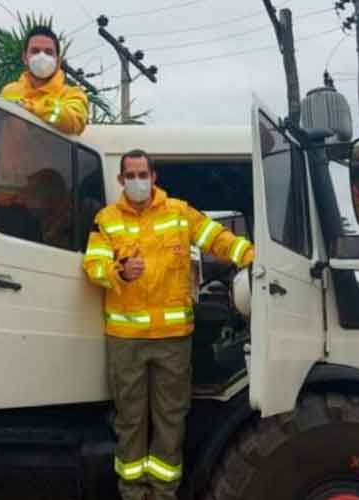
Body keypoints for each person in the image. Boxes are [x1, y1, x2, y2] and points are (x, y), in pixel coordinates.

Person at [82, 150, 254, 500]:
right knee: (130, 421)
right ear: (120, 180)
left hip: (172, 341)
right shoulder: (107, 219)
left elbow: (218, 238)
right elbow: (93, 266)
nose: (137, 181)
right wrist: (119, 272)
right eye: (130, 175)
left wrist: (251, 256)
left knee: (170, 421)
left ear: (154, 176)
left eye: (142, 173)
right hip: (126, 340)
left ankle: (163, 493)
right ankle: (131, 493)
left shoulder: (179, 212)